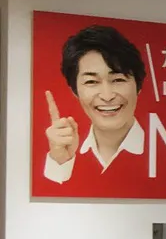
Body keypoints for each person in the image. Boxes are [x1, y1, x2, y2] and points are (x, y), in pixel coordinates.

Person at [44, 25, 148, 186]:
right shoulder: (67, 152)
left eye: (118, 80)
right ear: (75, 91)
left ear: (138, 87)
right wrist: (60, 161)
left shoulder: (165, 150)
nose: (107, 96)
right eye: (91, 82)